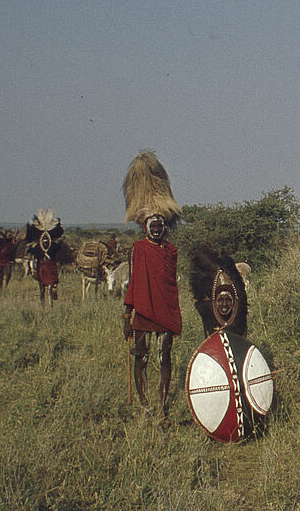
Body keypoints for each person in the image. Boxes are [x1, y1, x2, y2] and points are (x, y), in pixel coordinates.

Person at [120, 150, 183, 422]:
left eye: (159, 225)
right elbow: (133, 284)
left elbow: (170, 286)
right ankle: (145, 406)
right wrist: (127, 314)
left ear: (164, 226)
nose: (156, 228)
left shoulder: (171, 251)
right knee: (141, 358)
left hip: (165, 312)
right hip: (143, 312)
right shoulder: (138, 250)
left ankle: (162, 406)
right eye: (151, 225)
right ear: (144, 226)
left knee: (164, 357)